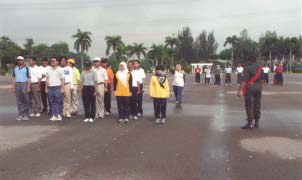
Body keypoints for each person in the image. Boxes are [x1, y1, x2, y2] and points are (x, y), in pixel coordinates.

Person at [237, 56, 264, 129]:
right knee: (257, 104)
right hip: (258, 87)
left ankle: (250, 123)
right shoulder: (260, 69)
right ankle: (257, 122)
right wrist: (260, 88)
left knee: (249, 105)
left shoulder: (247, 69)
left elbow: (244, 81)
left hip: (250, 88)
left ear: (250, 61)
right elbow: (262, 81)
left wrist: (239, 90)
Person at [46, 57, 65, 121]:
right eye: (51, 61)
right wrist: (46, 88)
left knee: (58, 101)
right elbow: (47, 79)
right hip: (50, 87)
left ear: (57, 62)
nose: (52, 62)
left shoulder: (60, 69)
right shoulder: (48, 70)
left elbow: (62, 79)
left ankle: (59, 114)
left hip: (58, 87)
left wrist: (62, 88)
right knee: (52, 101)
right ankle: (54, 115)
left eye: (54, 61)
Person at [12, 56, 31, 120]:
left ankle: (26, 115)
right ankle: (20, 114)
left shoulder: (27, 68)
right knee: (19, 100)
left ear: (23, 60)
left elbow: (29, 78)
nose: (19, 61)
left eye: (21, 60)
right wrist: (13, 87)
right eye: (18, 60)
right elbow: (14, 78)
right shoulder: (15, 68)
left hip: (24, 84)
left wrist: (28, 87)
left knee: (25, 100)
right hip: (17, 84)